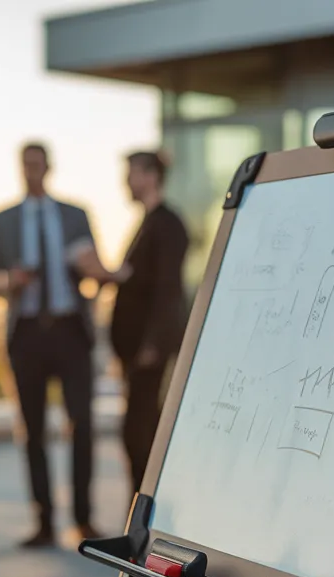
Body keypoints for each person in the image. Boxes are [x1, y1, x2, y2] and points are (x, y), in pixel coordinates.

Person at [0, 142, 106, 547]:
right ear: (20, 169)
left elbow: (96, 270)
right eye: (26, 165)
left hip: (71, 330)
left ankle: (83, 521)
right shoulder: (0, 221)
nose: (32, 170)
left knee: (82, 426)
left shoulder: (75, 215)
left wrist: (91, 270)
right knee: (32, 431)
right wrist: (9, 281)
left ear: (49, 167)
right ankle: (43, 522)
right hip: (27, 333)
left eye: (38, 164)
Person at [110, 151, 190, 494]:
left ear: (150, 176)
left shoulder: (167, 224)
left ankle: (144, 516)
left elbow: (167, 289)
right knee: (136, 434)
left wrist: (153, 346)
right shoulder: (148, 223)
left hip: (150, 353)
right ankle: (138, 512)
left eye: (131, 174)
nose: (125, 182)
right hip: (138, 353)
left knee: (142, 435)